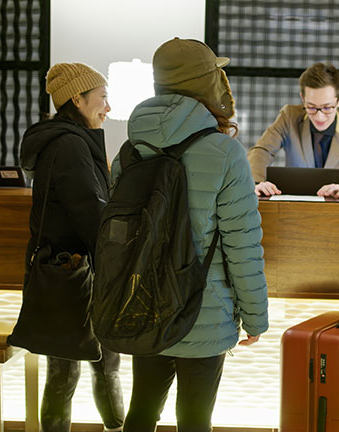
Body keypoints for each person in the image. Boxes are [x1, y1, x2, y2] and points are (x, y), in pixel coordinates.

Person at [115, 38, 268, 432]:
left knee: (141, 413)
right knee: (196, 420)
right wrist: (256, 317)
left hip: (142, 305)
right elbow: (242, 246)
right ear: (207, 83)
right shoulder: (223, 151)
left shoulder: (130, 149)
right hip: (204, 311)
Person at [19, 63, 125, 431]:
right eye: (102, 98)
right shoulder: (70, 145)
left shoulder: (64, 140)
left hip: (65, 272)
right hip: (78, 275)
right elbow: (90, 215)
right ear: (77, 99)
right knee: (92, 369)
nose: (108, 108)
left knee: (74, 370)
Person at [247, 62, 339, 198]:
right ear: (303, 99)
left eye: (327, 108)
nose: (319, 116)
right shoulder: (289, 117)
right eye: (311, 107)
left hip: (335, 212)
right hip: (293, 207)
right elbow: (262, 151)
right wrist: (257, 183)